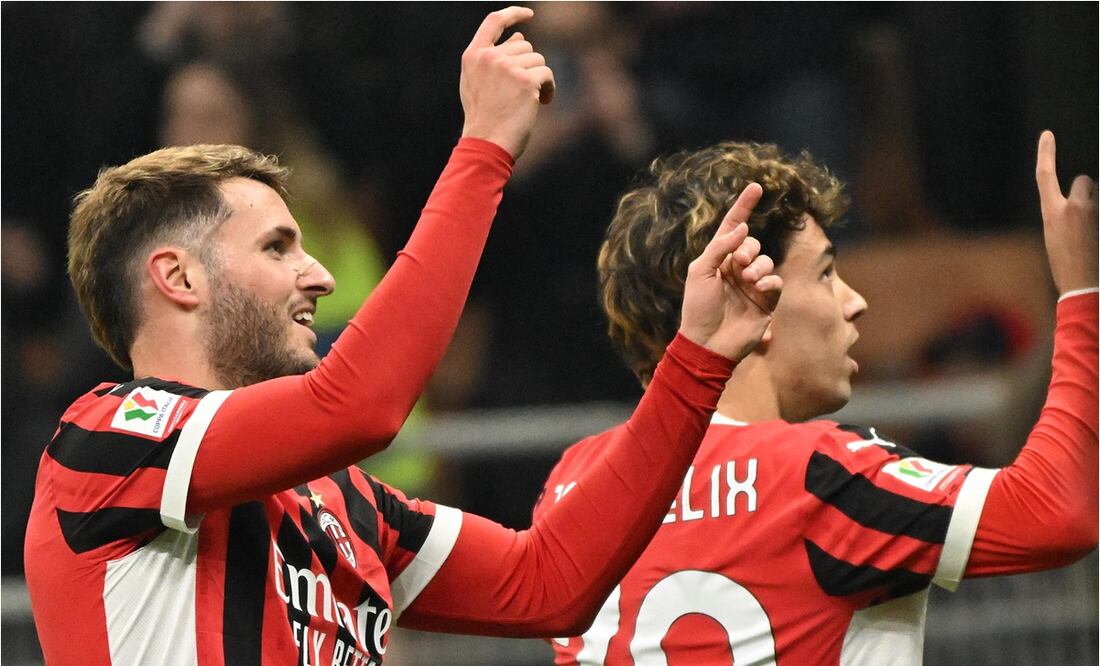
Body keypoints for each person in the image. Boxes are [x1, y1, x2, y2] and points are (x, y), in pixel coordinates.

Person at [24, 8, 784, 665]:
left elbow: (549, 581)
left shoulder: (343, 501)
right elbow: (358, 407)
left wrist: (696, 359)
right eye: (277, 248)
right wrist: (484, 148)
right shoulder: (106, 444)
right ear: (177, 278)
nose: (320, 276)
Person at [535, 133, 1097, 664]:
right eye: (826, 273)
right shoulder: (813, 475)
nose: (854, 302)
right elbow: (1057, 511)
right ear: (755, 299)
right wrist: (1082, 292)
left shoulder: (572, 484)